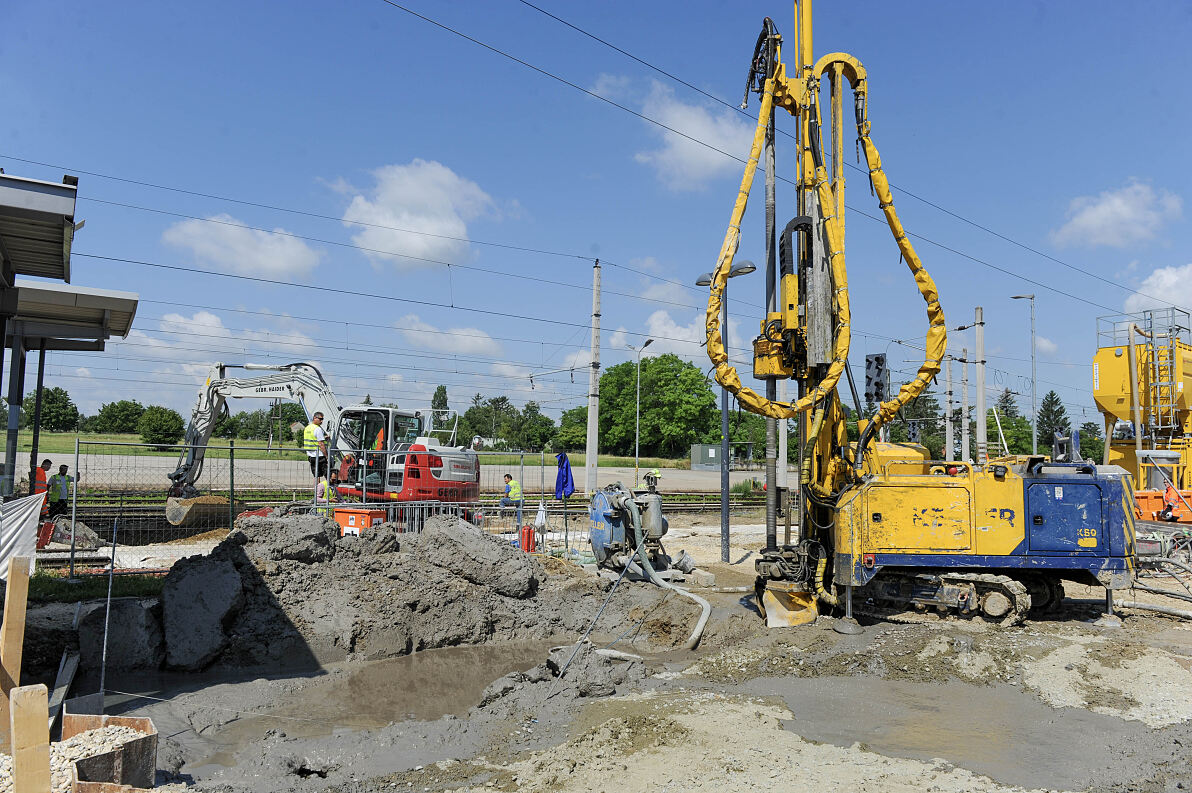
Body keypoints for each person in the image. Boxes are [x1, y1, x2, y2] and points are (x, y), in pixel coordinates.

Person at [303, 412, 329, 483]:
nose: (321, 421)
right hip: (320, 456)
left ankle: (317, 491)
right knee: (328, 474)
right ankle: (330, 490)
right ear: (315, 418)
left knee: (316, 475)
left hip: (311, 456)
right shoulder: (318, 429)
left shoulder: (307, 428)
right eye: (320, 419)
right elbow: (321, 444)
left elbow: (313, 439)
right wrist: (326, 456)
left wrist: (324, 438)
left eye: (322, 419)